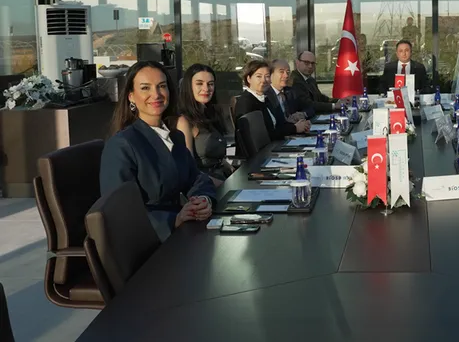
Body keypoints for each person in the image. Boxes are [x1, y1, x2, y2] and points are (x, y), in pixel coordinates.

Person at [100, 61, 216, 242]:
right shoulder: (122, 145)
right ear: (131, 96)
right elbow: (119, 210)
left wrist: (202, 200)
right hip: (148, 243)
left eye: (162, 86)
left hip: (181, 234)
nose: (156, 94)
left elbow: (197, 178)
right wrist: (173, 220)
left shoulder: (174, 137)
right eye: (145, 88)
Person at [175, 64, 229, 187]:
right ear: (189, 86)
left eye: (210, 84)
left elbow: (218, 157)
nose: (206, 88)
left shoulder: (211, 114)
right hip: (206, 186)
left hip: (223, 177)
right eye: (199, 83)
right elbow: (189, 169)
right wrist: (223, 185)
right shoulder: (184, 121)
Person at [234, 60, 309, 141]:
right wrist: (294, 128)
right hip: (265, 148)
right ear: (248, 79)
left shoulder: (265, 99)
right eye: (259, 76)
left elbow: (280, 124)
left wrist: (300, 125)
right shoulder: (246, 102)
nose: (264, 80)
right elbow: (262, 136)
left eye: (267, 76)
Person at [268, 59, 314, 126]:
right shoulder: (265, 96)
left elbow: (310, 108)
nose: (286, 75)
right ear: (270, 74)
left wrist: (302, 114)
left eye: (288, 72)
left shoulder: (291, 92)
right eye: (281, 72)